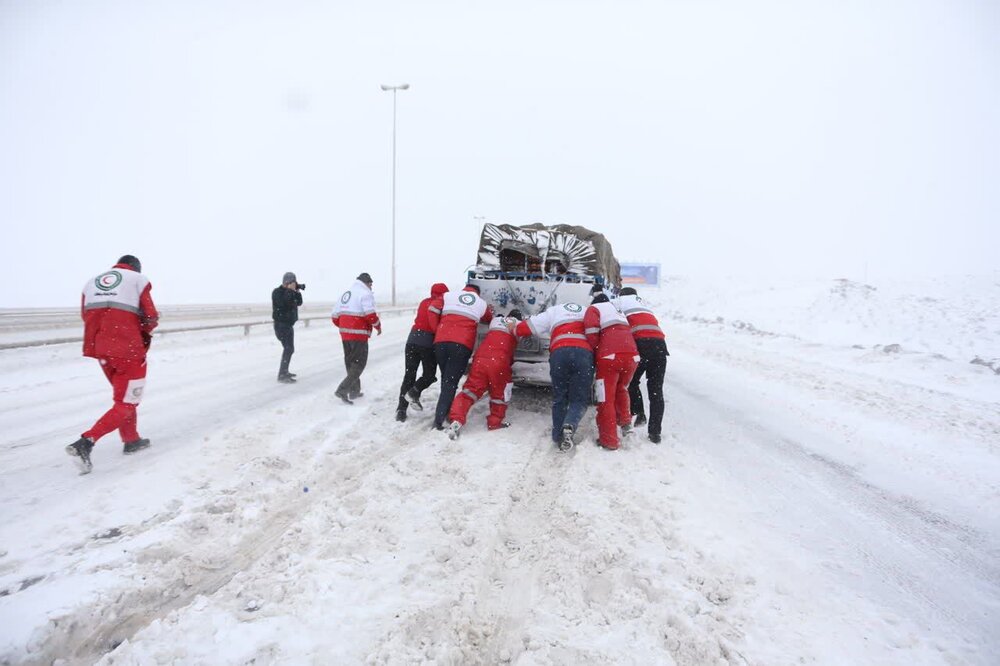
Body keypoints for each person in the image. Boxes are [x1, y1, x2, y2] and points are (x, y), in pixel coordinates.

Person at [66, 255, 159, 473]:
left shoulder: (91, 282)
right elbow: (151, 317)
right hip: (128, 351)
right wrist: (139, 332)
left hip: (102, 351)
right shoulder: (137, 280)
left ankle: (131, 440)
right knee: (127, 402)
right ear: (136, 268)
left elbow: (85, 315)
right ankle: (86, 442)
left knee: (123, 398)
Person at [512, 302, 594, 451]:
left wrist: (513, 327)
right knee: (579, 399)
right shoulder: (589, 311)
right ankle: (570, 424)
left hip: (560, 353)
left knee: (559, 397)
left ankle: (557, 436)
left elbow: (525, 328)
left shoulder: (554, 311)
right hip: (583, 354)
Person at [446, 310, 521, 439]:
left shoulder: (495, 321)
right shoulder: (519, 325)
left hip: (480, 358)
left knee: (470, 391)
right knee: (499, 394)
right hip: (499, 361)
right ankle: (494, 423)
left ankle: (456, 419)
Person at [431, 283, 493, 430]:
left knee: (446, 379)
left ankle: (444, 410)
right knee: (450, 382)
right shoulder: (481, 303)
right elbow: (489, 319)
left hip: (440, 342)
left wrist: (437, 330)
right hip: (461, 344)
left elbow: (432, 308)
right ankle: (439, 420)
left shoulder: (448, 296)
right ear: (477, 293)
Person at [584, 291, 639, 450]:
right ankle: (625, 423)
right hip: (632, 357)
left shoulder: (594, 309)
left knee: (605, 397)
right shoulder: (619, 312)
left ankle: (609, 440)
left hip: (610, 357)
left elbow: (591, 334)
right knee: (621, 389)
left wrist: (595, 353)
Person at [618, 287, 669, 443]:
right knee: (656, 390)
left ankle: (638, 412)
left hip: (641, 345)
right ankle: (655, 433)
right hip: (660, 347)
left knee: (631, 382)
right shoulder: (645, 304)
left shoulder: (619, 302)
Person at [397, 282, 449, 421]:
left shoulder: (424, 302)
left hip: (412, 340)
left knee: (409, 375)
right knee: (429, 375)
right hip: (427, 343)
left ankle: (401, 410)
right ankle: (413, 392)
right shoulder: (442, 304)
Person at [331, 272, 381, 404]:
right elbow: (370, 314)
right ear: (367, 283)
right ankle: (342, 389)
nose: (371, 287)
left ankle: (354, 391)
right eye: (371, 284)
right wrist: (378, 326)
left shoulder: (346, 293)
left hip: (345, 333)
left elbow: (334, 315)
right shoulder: (365, 293)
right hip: (358, 333)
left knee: (350, 361)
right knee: (359, 363)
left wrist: (344, 327)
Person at [272, 271, 303, 383]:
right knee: (288, 348)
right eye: (292, 282)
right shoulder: (277, 292)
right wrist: (290, 291)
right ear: (286, 282)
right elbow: (282, 303)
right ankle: (282, 374)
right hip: (281, 325)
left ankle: (285, 371)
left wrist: (297, 291)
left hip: (289, 325)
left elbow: (299, 302)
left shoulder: (291, 292)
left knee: (290, 349)